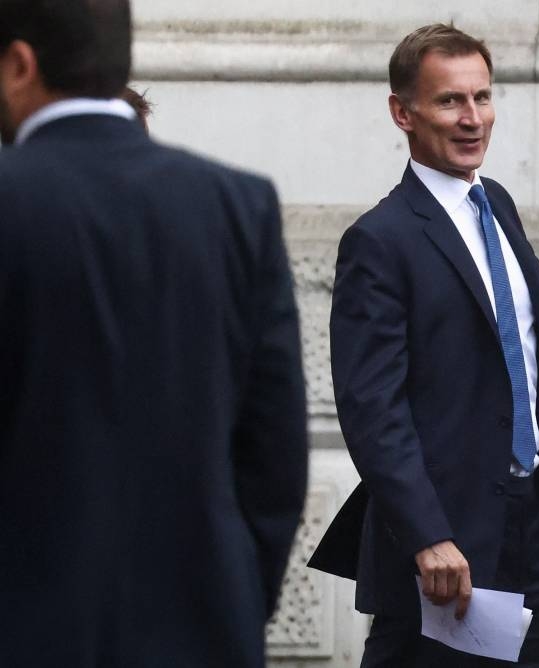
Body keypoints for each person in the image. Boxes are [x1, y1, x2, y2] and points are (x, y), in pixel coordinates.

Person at [309, 23, 539, 667]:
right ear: (402, 113)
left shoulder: (495, 206)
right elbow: (373, 408)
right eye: (450, 101)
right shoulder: (381, 240)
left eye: (482, 98)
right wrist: (428, 536)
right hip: (448, 534)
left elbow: (538, 296)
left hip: (528, 516)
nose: (473, 119)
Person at [0, 2, 308, 667]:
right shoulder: (238, 204)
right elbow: (275, 453)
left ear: (20, 64)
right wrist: (233, 604)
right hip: (203, 633)